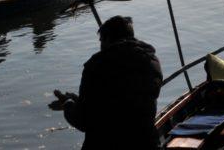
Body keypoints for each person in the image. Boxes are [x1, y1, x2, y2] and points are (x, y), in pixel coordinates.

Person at [50, 16, 163, 149]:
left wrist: (68, 104)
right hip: (146, 142)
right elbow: (124, 100)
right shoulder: (151, 60)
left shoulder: (98, 66)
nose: (100, 46)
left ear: (108, 39)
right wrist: (80, 101)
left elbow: (84, 121)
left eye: (101, 41)